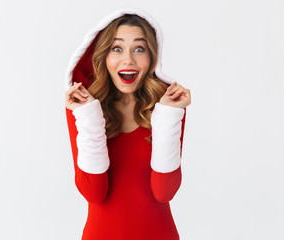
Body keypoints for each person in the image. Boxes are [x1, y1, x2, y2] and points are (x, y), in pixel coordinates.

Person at [64, 8, 191, 240]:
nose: (128, 59)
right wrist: (89, 117)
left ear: (152, 56)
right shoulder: (83, 110)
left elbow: (164, 192)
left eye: (139, 49)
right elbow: (94, 192)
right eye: (117, 48)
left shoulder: (167, 109)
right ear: (103, 55)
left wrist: (170, 116)